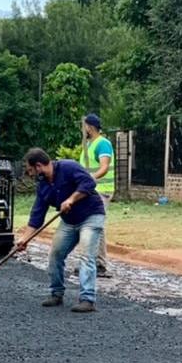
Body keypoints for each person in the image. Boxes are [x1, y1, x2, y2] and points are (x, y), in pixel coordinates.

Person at [16, 148, 106, 313]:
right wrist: (25, 239)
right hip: (69, 221)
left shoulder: (69, 167)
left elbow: (89, 183)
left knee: (86, 255)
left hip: (91, 216)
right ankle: (56, 293)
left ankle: (87, 299)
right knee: (55, 254)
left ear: (38, 166)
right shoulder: (43, 185)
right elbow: (37, 214)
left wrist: (71, 199)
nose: (31, 175)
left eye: (30, 170)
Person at [80, 114, 114, 276]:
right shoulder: (89, 145)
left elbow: (104, 167)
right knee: (88, 225)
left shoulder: (103, 144)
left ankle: (100, 263)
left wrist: (89, 179)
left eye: (85, 126)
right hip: (91, 190)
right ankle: (89, 262)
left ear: (90, 127)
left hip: (101, 189)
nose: (84, 129)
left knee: (96, 225)